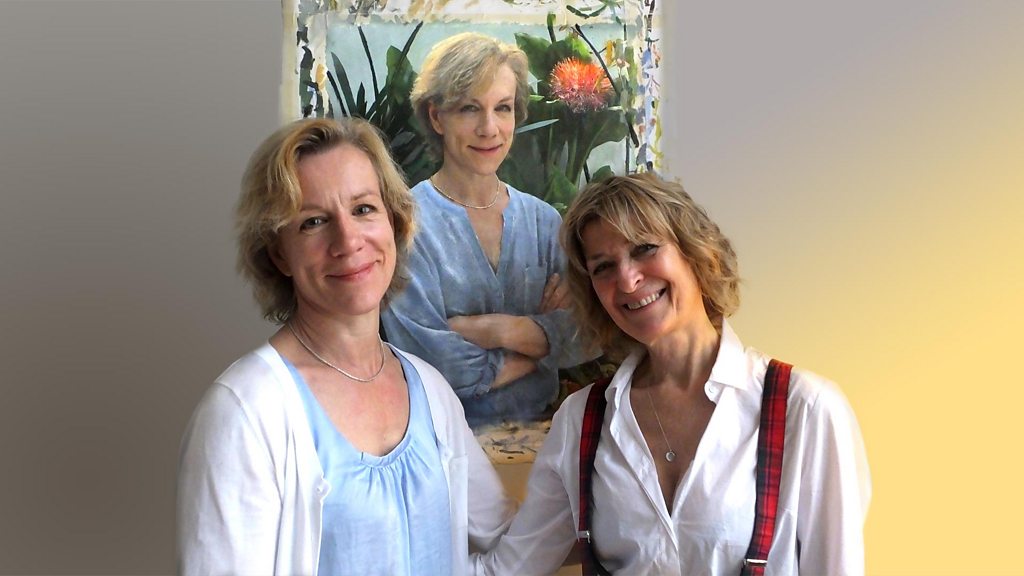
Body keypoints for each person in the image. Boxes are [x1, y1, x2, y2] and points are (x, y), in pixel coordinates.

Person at [472, 172, 871, 574]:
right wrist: (442, 419)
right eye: (603, 267)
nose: (627, 280)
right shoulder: (581, 420)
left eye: (644, 248)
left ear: (696, 252)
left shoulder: (806, 408)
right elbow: (508, 567)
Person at [177, 117, 515, 575]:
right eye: (313, 222)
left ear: (394, 222)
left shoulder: (430, 390)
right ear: (279, 253)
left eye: (363, 209)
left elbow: (504, 549)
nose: (348, 241)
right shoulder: (244, 412)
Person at [380, 32, 590, 426]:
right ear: (436, 117)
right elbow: (438, 366)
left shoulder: (544, 221)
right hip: (445, 441)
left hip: (548, 435)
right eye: (469, 109)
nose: (489, 128)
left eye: (503, 108)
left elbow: (589, 332)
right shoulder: (406, 226)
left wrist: (496, 329)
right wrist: (543, 346)